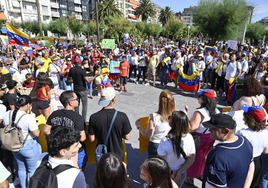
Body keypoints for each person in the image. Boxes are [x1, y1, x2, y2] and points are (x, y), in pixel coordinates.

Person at [202, 114, 254, 188]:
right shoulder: (245, 142)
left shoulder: (218, 156)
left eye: (213, 128)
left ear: (226, 131)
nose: (209, 130)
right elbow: (251, 167)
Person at [2, 95, 41, 188]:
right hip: (28, 145)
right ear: (28, 105)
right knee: (33, 171)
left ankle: (24, 186)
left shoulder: (7, 114)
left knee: (21, 168)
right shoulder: (28, 117)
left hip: (14, 145)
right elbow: (36, 134)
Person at [43, 91, 87, 169]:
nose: (78, 101)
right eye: (76, 99)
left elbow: (46, 130)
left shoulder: (54, 114)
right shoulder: (77, 118)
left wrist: (57, 139)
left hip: (58, 150)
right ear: (70, 103)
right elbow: (82, 138)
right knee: (77, 173)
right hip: (74, 151)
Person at [186, 89, 219, 186]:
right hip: (210, 137)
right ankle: (201, 174)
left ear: (205, 100)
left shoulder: (200, 112)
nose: (198, 98)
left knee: (194, 158)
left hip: (199, 138)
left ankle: (190, 178)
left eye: (200, 97)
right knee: (204, 158)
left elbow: (192, 127)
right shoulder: (216, 111)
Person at [87, 87, 132, 160]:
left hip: (102, 156)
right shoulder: (122, 116)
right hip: (118, 155)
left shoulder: (94, 117)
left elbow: (92, 139)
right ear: (113, 99)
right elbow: (127, 137)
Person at [157, 111, 196, 188]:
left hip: (167, 174)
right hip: (181, 173)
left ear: (172, 124)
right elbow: (192, 158)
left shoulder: (166, 140)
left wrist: (170, 173)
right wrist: (179, 172)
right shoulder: (189, 137)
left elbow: (161, 160)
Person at [237, 104, 268, 188]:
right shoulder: (266, 133)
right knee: (255, 184)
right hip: (257, 161)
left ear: (248, 119)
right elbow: (265, 151)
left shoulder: (241, 133)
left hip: (244, 162)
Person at [136, 90, 175, 156]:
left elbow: (148, 135)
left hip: (156, 145)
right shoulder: (175, 115)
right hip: (169, 144)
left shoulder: (154, 117)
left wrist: (139, 126)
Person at [68, 56, 98, 120]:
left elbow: (68, 78)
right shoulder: (82, 71)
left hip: (75, 89)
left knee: (76, 104)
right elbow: (88, 81)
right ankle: (83, 119)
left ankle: (76, 117)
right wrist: (95, 76)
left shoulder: (71, 69)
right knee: (84, 105)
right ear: (80, 63)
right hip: (82, 89)